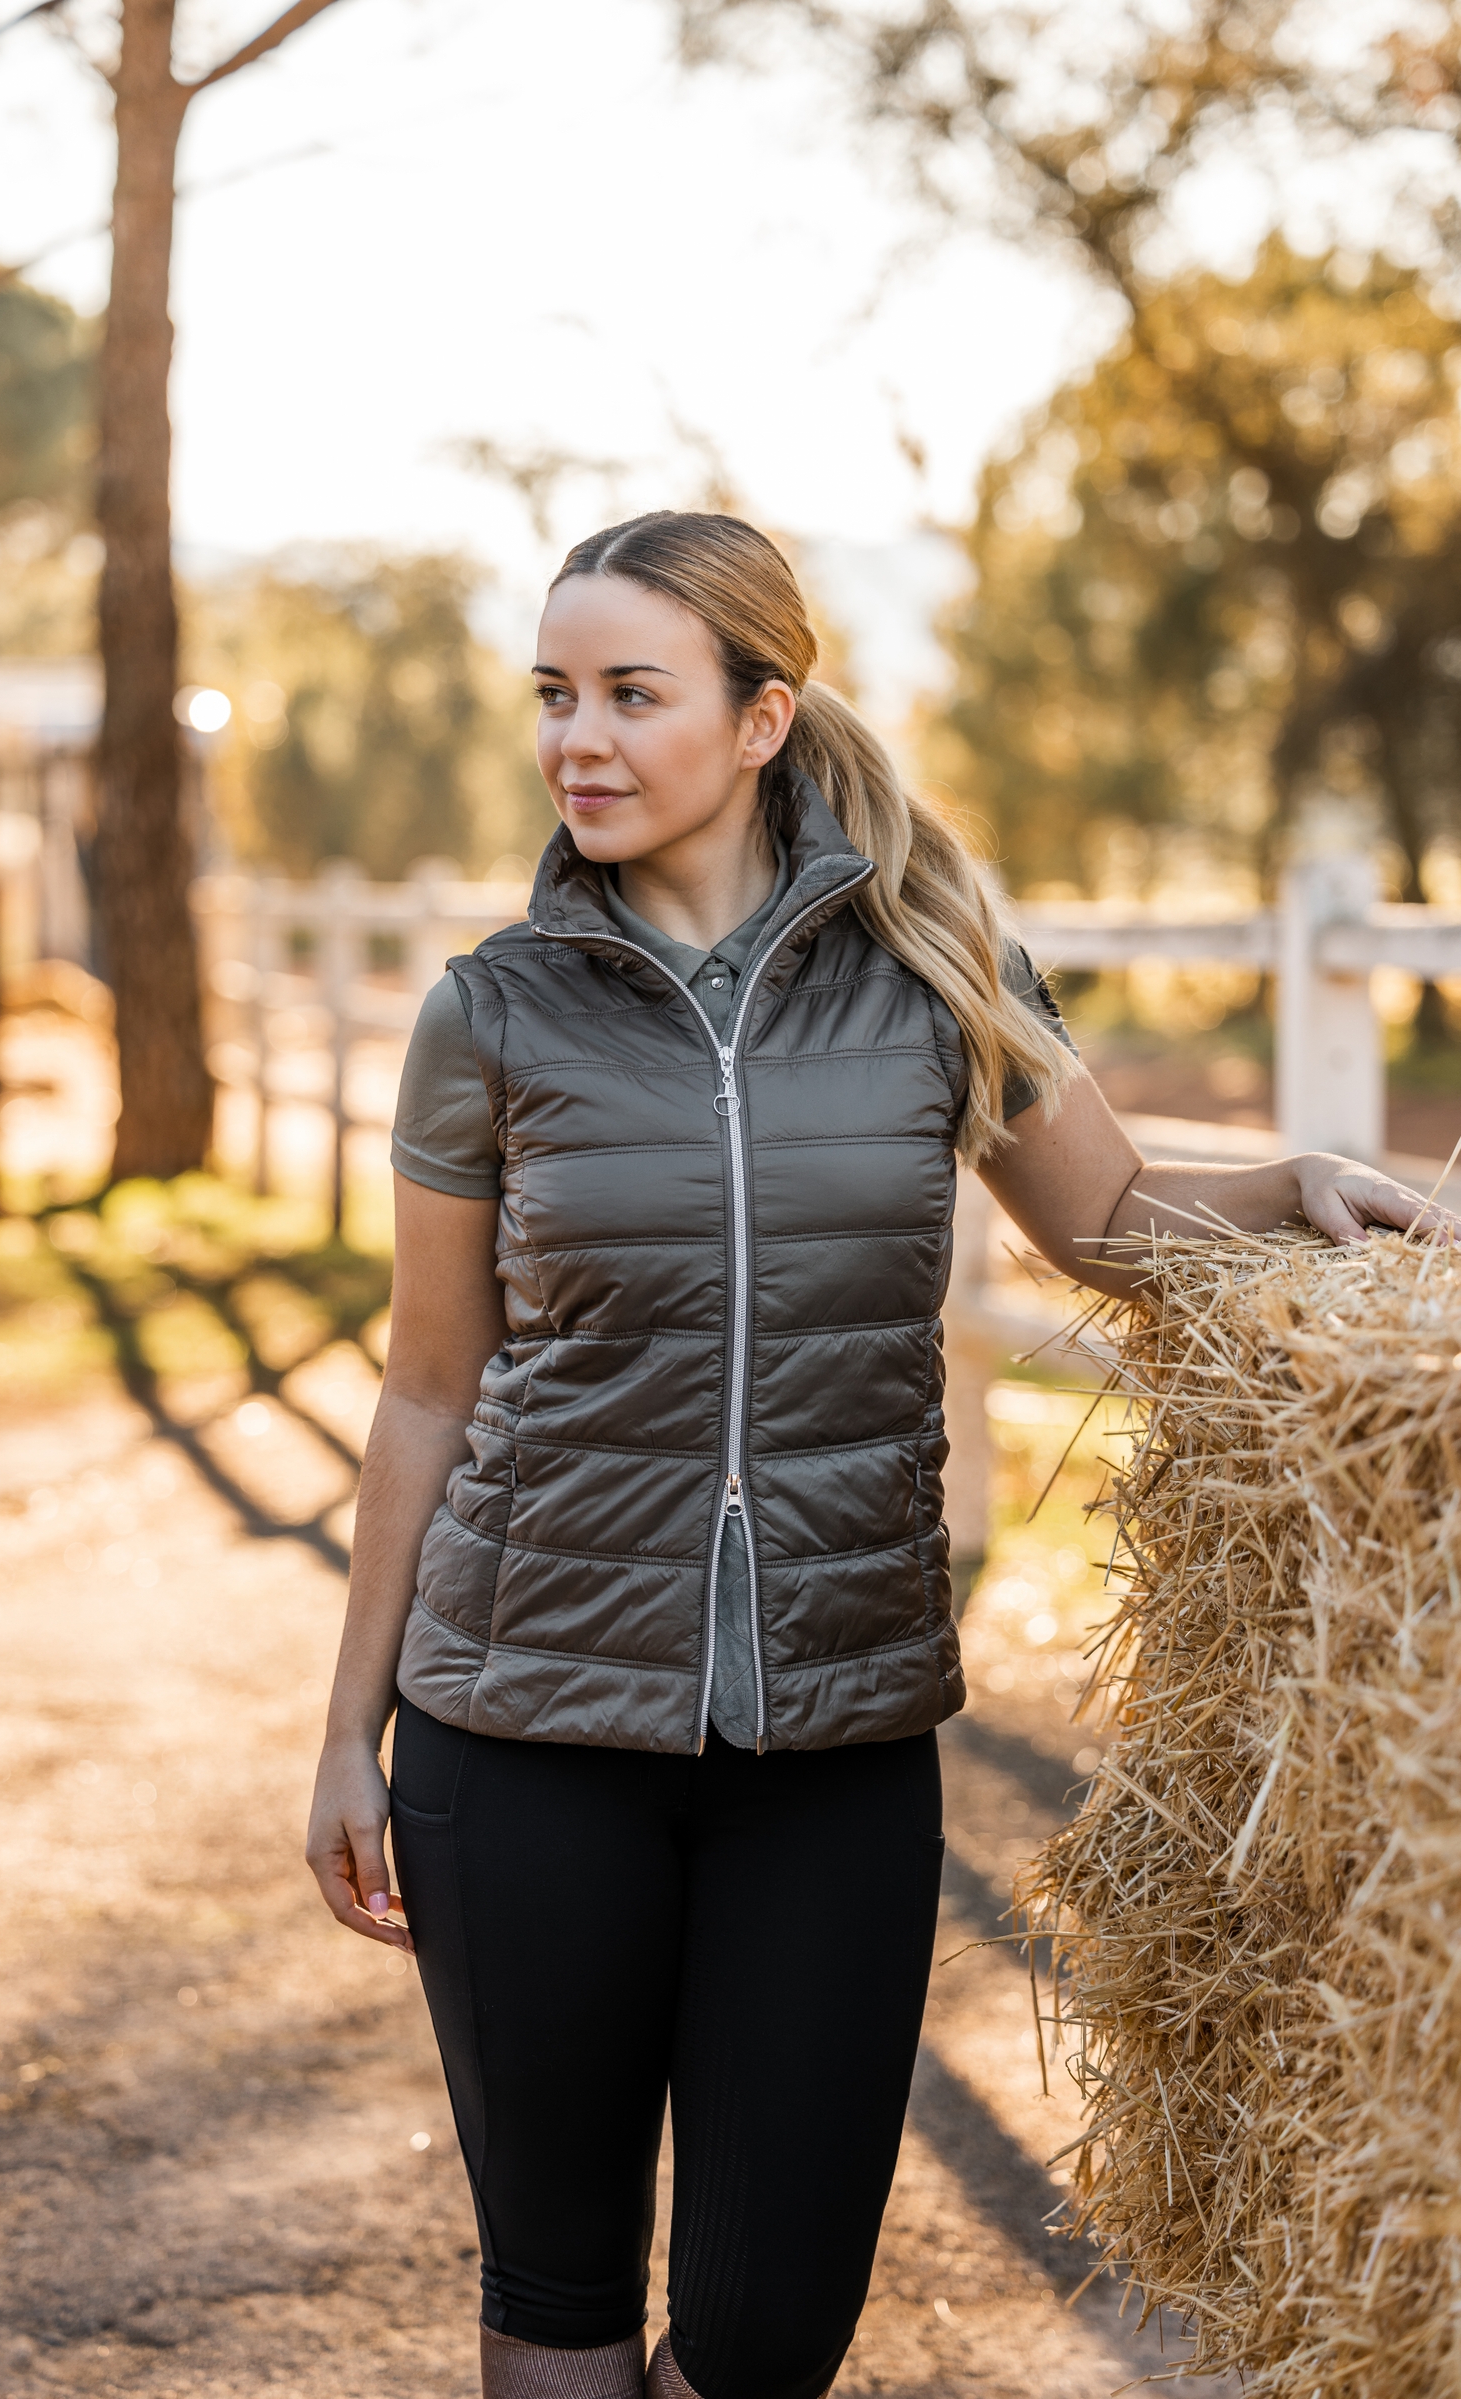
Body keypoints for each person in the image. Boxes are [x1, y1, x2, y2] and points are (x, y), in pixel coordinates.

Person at [306, 511, 1442, 2399]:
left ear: (764, 718)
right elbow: (431, 1387)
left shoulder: (930, 962)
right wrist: (349, 1732)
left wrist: (1296, 1196)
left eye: (630, 695)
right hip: (518, 1730)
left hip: (837, 1731)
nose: (577, 739)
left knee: (769, 2333)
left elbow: (1113, 1224)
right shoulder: (492, 1014)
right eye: (553, 697)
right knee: (561, 2298)